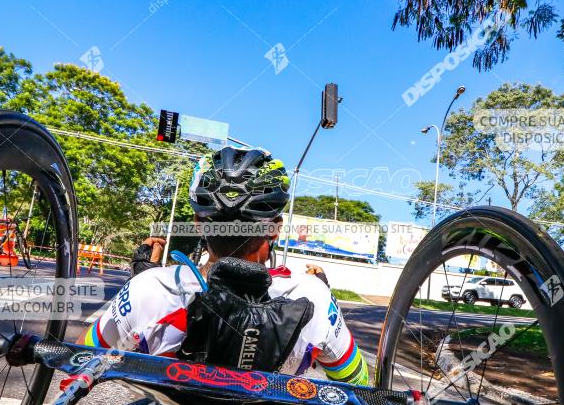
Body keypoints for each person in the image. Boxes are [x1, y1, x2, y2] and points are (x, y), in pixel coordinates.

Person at [81, 147, 369, 385]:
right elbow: (356, 382)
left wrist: (144, 280)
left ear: (198, 225)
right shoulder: (313, 297)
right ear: (275, 230)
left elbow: (80, 361)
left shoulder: (150, 288)